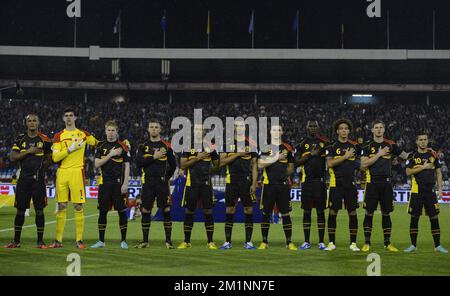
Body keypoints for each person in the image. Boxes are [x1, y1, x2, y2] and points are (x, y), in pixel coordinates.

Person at [49, 107, 98, 249]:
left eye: (71, 115)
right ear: (63, 119)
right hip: (62, 172)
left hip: (77, 172)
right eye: (66, 115)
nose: (69, 118)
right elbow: (55, 157)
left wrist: (121, 144)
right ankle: (58, 240)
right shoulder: (59, 136)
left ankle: (79, 240)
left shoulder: (83, 134)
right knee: (62, 205)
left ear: (75, 118)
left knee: (78, 206)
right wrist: (70, 148)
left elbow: (98, 144)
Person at [360, 120, 409, 252]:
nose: (379, 130)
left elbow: (406, 156)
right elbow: (363, 165)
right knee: (369, 213)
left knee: (386, 213)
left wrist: (398, 160)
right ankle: (367, 242)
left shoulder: (391, 144)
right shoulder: (367, 146)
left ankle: (387, 243)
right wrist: (379, 154)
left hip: (387, 183)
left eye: (381, 127)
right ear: (372, 130)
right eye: (376, 127)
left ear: (384, 129)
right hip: (372, 183)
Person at [4, 114, 52, 249]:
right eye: (29, 121)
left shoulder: (45, 140)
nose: (32, 123)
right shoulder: (20, 139)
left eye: (34, 120)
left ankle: (40, 241)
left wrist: (42, 168)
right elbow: (13, 157)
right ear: (26, 123)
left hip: (38, 181)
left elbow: (51, 158)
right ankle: (16, 241)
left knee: (39, 211)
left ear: (38, 123)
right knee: (20, 211)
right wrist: (29, 151)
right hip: (23, 179)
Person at [135, 119, 176, 249]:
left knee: (166, 209)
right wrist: (154, 156)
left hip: (162, 182)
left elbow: (173, 165)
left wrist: (166, 177)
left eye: (156, 127)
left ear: (160, 129)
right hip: (148, 182)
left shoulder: (167, 146)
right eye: (151, 127)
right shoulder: (143, 146)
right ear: (148, 129)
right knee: (146, 209)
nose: (153, 129)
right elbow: (139, 163)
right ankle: (145, 241)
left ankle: (168, 241)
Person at [178, 123, 220, 250]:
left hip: (206, 184)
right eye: (196, 129)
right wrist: (197, 158)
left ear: (203, 131)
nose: (198, 131)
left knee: (208, 211)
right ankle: (186, 241)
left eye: (200, 129)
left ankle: (210, 242)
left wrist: (209, 172)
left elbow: (217, 164)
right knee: (189, 211)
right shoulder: (187, 145)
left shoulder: (210, 145)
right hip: (192, 184)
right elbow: (183, 166)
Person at [404, 133, 448, 253]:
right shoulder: (412, 156)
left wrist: (440, 189)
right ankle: (413, 245)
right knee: (414, 218)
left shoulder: (433, 155)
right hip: (416, 191)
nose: (423, 142)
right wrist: (423, 167)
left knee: (434, 217)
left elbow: (439, 173)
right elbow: (408, 172)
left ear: (427, 141)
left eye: (425, 140)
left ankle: (437, 245)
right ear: (417, 142)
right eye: (421, 140)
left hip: (430, 191)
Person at [218, 119, 258, 250]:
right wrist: (238, 154)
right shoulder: (227, 144)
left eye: (241, 126)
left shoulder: (251, 144)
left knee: (249, 209)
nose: (239, 128)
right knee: (230, 209)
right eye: (237, 126)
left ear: (244, 128)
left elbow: (254, 166)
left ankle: (248, 242)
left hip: (246, 181)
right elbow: (221, 162)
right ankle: (228, 242)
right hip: (232, 180)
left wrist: (254, 183)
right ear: (234, 128)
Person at [90, 120, 130, 249]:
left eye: (113, 130)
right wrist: (110, 154)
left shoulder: (123, 146)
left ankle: (123, 240)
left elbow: (127, 165)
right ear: (105, 131)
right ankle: (101, 241)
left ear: (117, 132)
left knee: (122, 212)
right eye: (109, 130)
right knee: (102, 212)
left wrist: (125, 183)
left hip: (118, 184)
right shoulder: (101, 146)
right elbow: (96, 164)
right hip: (104, 184)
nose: (111, 133)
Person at [257, 124, 296, 250]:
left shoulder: (288, 147)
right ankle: (264, 242)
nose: (276, 132)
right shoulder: (265, 148)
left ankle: (289, 242)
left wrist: (286, 174)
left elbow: (291, 166)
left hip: (283, 186)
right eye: (274, 130)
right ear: (270, 132)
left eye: (278, 130)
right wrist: (276, 157)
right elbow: (260, 165)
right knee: (266, 213)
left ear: (282, 132)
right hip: (268, 185)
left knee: (285, 214)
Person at [325, 118, 360, 252]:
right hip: (335, 184)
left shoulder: (355, 146)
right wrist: (346, 156)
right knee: (333, 212)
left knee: (352, 212)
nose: (344, 130)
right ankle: (331, 242)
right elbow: (330, 164)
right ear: (337, 131)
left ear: (349, 131)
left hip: (351, 184)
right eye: (341, 128)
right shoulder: (331, 146)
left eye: (346, 128)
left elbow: (359, 164)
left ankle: (353, 243)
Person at [295, 120, 331, 251]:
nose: (313, 128)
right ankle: (306, 241)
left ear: (318, 127)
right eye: (310, 126)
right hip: (307, 182)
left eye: (315, 126)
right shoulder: (301, 144)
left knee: (321, 212)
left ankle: (321, 242)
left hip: (320, 182)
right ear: (306, 127)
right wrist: (311, 154)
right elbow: (297, 162)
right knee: (307, 211)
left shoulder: (325, 143)